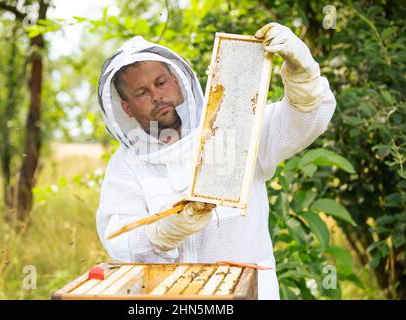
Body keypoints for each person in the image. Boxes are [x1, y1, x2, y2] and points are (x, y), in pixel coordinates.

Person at [96, 22, 336, 299]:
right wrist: (163, 233)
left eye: (160, 83)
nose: (156, 96)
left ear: (176, 81)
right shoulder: (127, 166)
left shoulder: (234, 128)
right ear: (126, 108)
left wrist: (302, 75)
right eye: (141, 93)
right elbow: (118, 241)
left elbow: (305, 121)